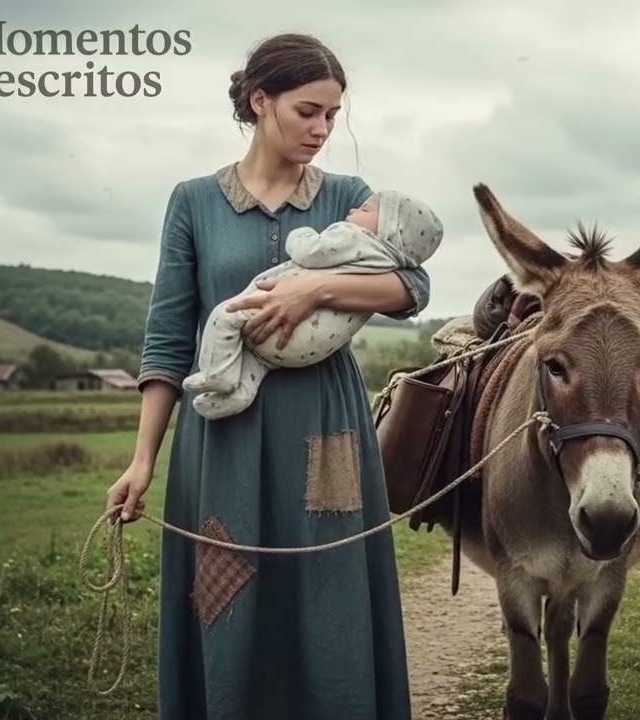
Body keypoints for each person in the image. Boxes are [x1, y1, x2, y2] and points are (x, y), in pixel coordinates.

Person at [103, 32, 427, 720]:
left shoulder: (347, 195)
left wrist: (316, 291)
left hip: (325, 428)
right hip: (223, 433)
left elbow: (411, 287)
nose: (322, 129)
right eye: (308, 110)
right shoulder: (193, 202)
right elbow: (167, 338)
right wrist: (141, 461)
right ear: (259, 101)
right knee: (226, 587)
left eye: (333, 116)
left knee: (329, 588)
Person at [182, 189, 443, 420]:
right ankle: (239, 394)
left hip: (294, 356)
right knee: (259, 361)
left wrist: (313, 288)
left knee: (225, 316)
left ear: (388, 228)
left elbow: (417, 287)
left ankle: (217, 375)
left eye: (364, 209)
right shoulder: (388, 258)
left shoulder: (353, 232)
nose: (353, 211)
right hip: (305, 350)